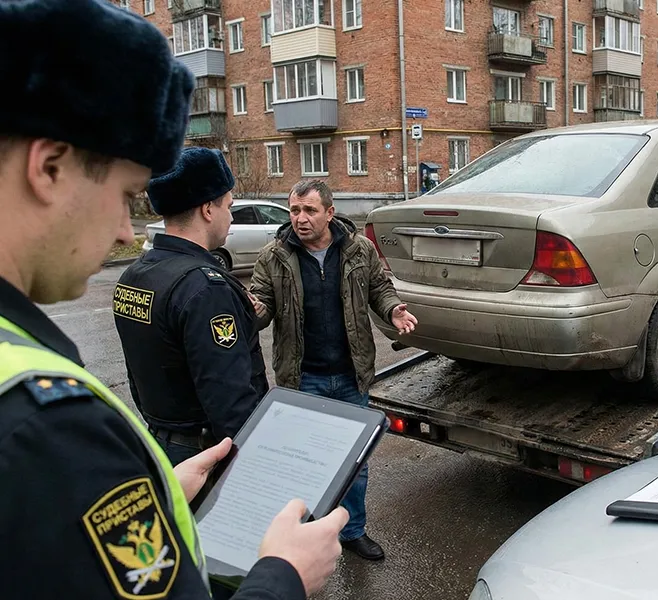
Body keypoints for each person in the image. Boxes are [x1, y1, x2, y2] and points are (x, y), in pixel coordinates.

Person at [0, 1, 348, 598]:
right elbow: (230, 396)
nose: (121, 231)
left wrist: (156, 492)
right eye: (125, 194)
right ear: (49, 167)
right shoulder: (45, 425)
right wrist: (283, 577)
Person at [250, 179, 418, 562]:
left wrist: (392, 308)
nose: (300, 219)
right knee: (305, 462)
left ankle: (353, 531)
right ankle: (307, 536)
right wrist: (252, 309)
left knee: (354, 465)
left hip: (350, 376)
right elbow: (261, 306)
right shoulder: (273, 256)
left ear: (329, 212)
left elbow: (379, 286)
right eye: (294, 210)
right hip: (303, 378)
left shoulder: (359, 249)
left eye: (309, 210)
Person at [113, 146, 270, 466]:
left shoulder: (135, 274)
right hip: (206, 454)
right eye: (229, 205)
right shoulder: (203, 288)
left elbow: (138, 376)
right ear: (208, 209)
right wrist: (256, 465)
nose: (231, 215)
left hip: (162, 441)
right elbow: (230, 401)